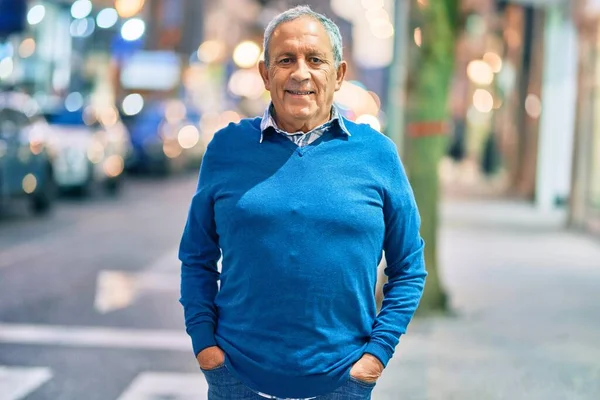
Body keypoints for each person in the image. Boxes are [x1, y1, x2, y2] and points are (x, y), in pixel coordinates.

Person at [179, 5, 427, 400]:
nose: (300, 73)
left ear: (339, 74)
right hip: (237, 381)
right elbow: (195, 256)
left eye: (315, 60)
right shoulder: (226, 148)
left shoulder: (378, 155)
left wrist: (375, 357)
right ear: (265, 74)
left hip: (342, 383)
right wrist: (205, 347)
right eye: (285, 60)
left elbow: (409, 267)